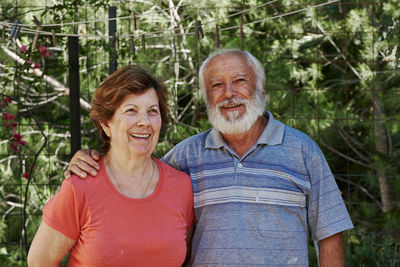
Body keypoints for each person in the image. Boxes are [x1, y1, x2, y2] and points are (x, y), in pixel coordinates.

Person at [65, 49, 354, 266]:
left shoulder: (303, 151)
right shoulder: (185, 156)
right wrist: (90, 160)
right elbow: (132, 178)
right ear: (206, 98)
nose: (229, 94)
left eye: (239, 81)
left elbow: (329, 233)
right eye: (216, 85)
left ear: (261, 88)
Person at [28, 65, 194, 267]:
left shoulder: (181, 187)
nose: (144, 122)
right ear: (106, 124)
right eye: (131, 111)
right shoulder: (80, 186)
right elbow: (39, 261)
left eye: (152, 111)